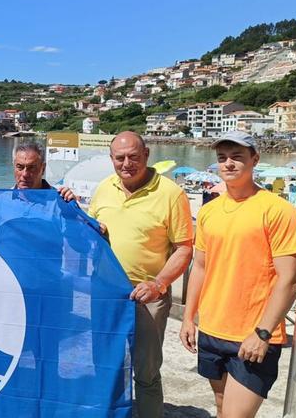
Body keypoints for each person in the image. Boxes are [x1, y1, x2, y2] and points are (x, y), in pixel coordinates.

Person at [180, 131, 296, 418]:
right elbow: (200, 267)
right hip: (212, 329)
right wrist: (189, 317)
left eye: (237, 157)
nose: (229, 164)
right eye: (223, 158)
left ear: (254, 160)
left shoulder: (278, 211)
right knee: (223, 407)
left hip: (253, 333)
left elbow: (290, 278)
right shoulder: (210, 211)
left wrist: (262, 332)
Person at [87, 131, 194, 418]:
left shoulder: (171, 194)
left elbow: (184, 248)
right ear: (111, 159)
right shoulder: (103, 188)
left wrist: (159, 284)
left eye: (133, 157)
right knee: (104, 364)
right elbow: (90, 233)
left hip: (149, 297)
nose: (126, 163)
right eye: (119, 158)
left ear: (147, 155)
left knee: (146, 372)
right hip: (107, 294)